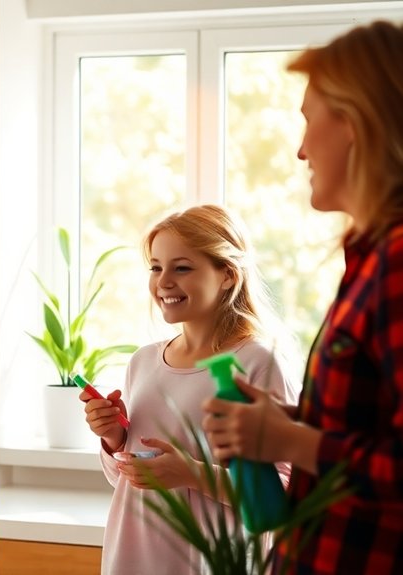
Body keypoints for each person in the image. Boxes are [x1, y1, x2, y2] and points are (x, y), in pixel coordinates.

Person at [203, 21, 403, 574]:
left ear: (355, 122)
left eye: (309, 120)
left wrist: (292, 441)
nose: (299, 150)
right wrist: (288, 423)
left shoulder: (397, 265)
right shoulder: (369, 258)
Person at [81, 204, 300, 574]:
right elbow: (125, 479)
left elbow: (281, 499)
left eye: (181, 268)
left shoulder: (257, 363)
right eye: (155, 267)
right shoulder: (143, 361)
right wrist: (114, 439)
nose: (163, 281)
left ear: (228, 275)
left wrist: (192, 474)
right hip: (129, 558)